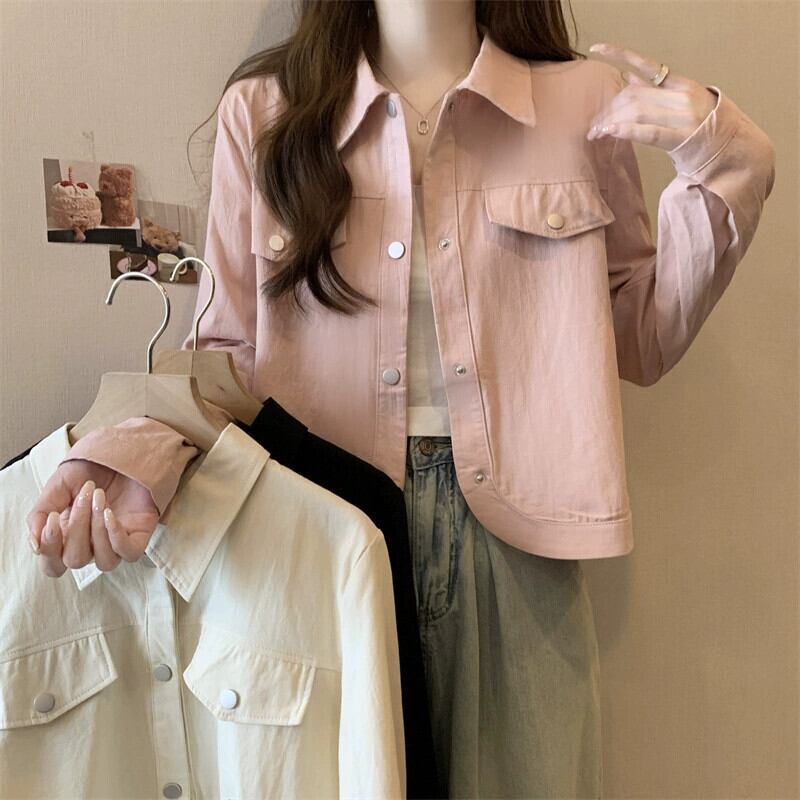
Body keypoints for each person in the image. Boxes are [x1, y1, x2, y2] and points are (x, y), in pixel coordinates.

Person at [24, 1, 775, 797]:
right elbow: (225, 360)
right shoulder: (266, 111)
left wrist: (729, 163)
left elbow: (637, 337)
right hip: (319, 532)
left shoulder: (584, 99)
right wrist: (131, 455)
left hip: (522, 545)